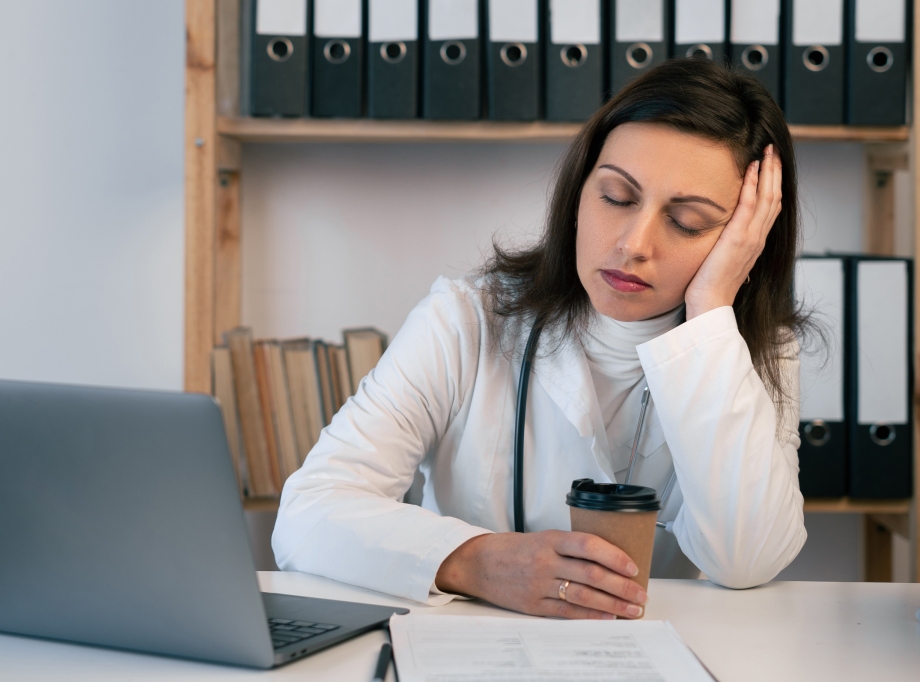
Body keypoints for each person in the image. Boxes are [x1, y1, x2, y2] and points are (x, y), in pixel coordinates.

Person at [273, 58, 807, 621]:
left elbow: (747, 561)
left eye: (688, 222)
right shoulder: (465, 319)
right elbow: (308, 513)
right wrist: (475, 561)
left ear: (746, 241)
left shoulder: (749, 351)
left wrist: (708, 318)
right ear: (578, 193)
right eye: (617, 198)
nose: (633, 243)